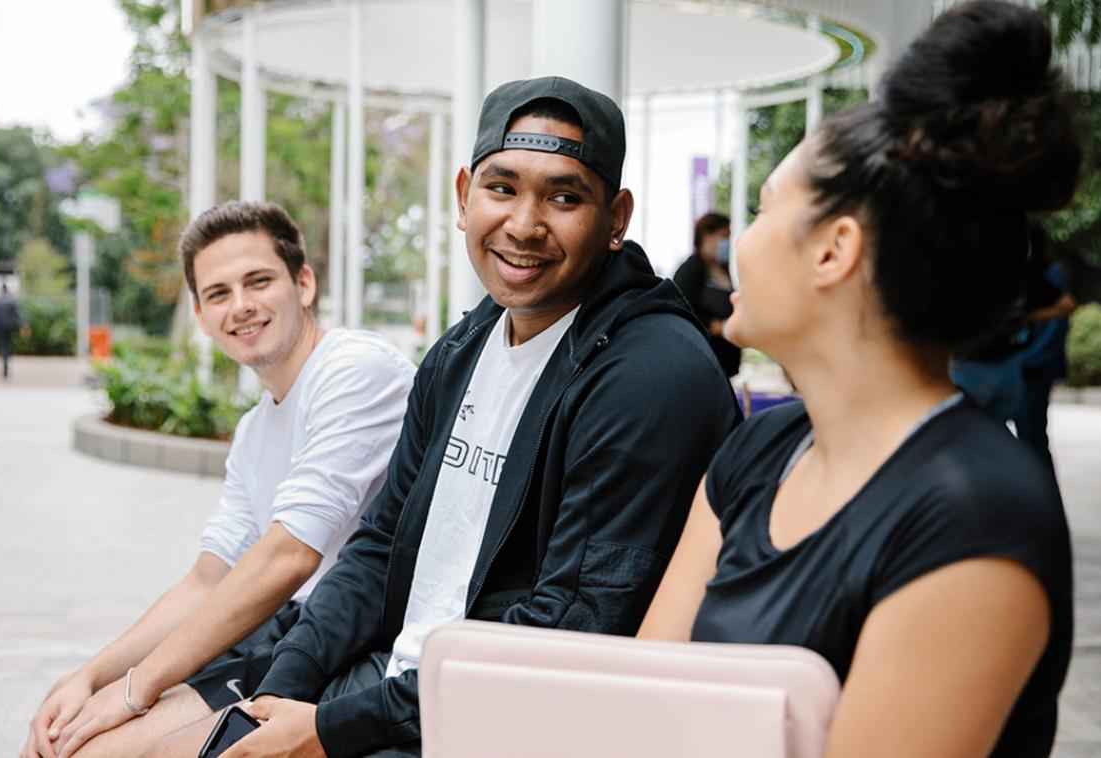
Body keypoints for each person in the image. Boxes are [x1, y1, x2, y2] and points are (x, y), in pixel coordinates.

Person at [150, 76, 739, 758]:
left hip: (505, 726)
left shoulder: (651, 375)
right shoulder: (466, 346)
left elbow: (569, 631)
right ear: (464, 197)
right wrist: (281, 697)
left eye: (565, 196)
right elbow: (378, 544)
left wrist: (324, 731)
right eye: (502, 188)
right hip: (394, 685)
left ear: (615, 218)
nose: (524, 223)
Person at [639, 3, 1078, 757]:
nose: (741, 239)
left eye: (763, 207)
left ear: (833, 251)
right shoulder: (756, 454)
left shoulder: (974, 515)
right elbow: (641, 704)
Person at [22, 202, 415, 758]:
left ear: (303, 284)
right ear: (203, 318)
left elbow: (289, 556)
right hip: (280, 629)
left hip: (352, 641)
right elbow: (206, 581)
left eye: (258, 281)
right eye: (219, 293)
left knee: (106, 751)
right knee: (64, 735)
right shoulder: (255, 429)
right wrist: (89, 679)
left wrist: (135, 691)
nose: (243, 306)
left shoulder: (354, 369)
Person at [950, 223, 1076, 435]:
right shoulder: (1020, 272)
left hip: (983, 365)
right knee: (1001, 434)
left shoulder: (982, 271)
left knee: (970, 435)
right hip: (1002, 365)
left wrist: (1027, 318)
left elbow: (1066, 305)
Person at [1013, 259, 1076, 466]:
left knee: (1033, 441)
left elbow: (1062, 312)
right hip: (1007, 364)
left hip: (1029, 366)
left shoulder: (1046, 271)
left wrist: (1030, 359)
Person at [672, 212, 741, 380]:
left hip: (724, 363)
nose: (727, 243)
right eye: (724, 236)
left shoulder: (722, 269)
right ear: (707, 236)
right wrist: (713, 326)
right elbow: (679, 310)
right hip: (700, 361)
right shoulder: (691, 269)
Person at [0, 281, 27, 379]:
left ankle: (4, 360)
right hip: (9, 327)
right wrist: (23, 325)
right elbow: (19, 314)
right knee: (7, 345)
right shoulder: (12, 301)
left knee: (2, 345)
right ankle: (6, 361)